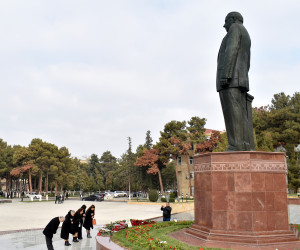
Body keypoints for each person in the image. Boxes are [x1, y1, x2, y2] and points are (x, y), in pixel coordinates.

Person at [217, 11, 255, 151]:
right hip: (240, 79)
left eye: (226, 21)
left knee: (232, 112)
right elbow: (247, 61)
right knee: (239, 112)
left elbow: (231, 50)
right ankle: (244, 144)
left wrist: (225, 75)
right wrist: (243, 77)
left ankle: (235, 145)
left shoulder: (234, 28)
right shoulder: (246, 34)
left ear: (232, 19)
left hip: (230, 79)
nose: (224, 25)